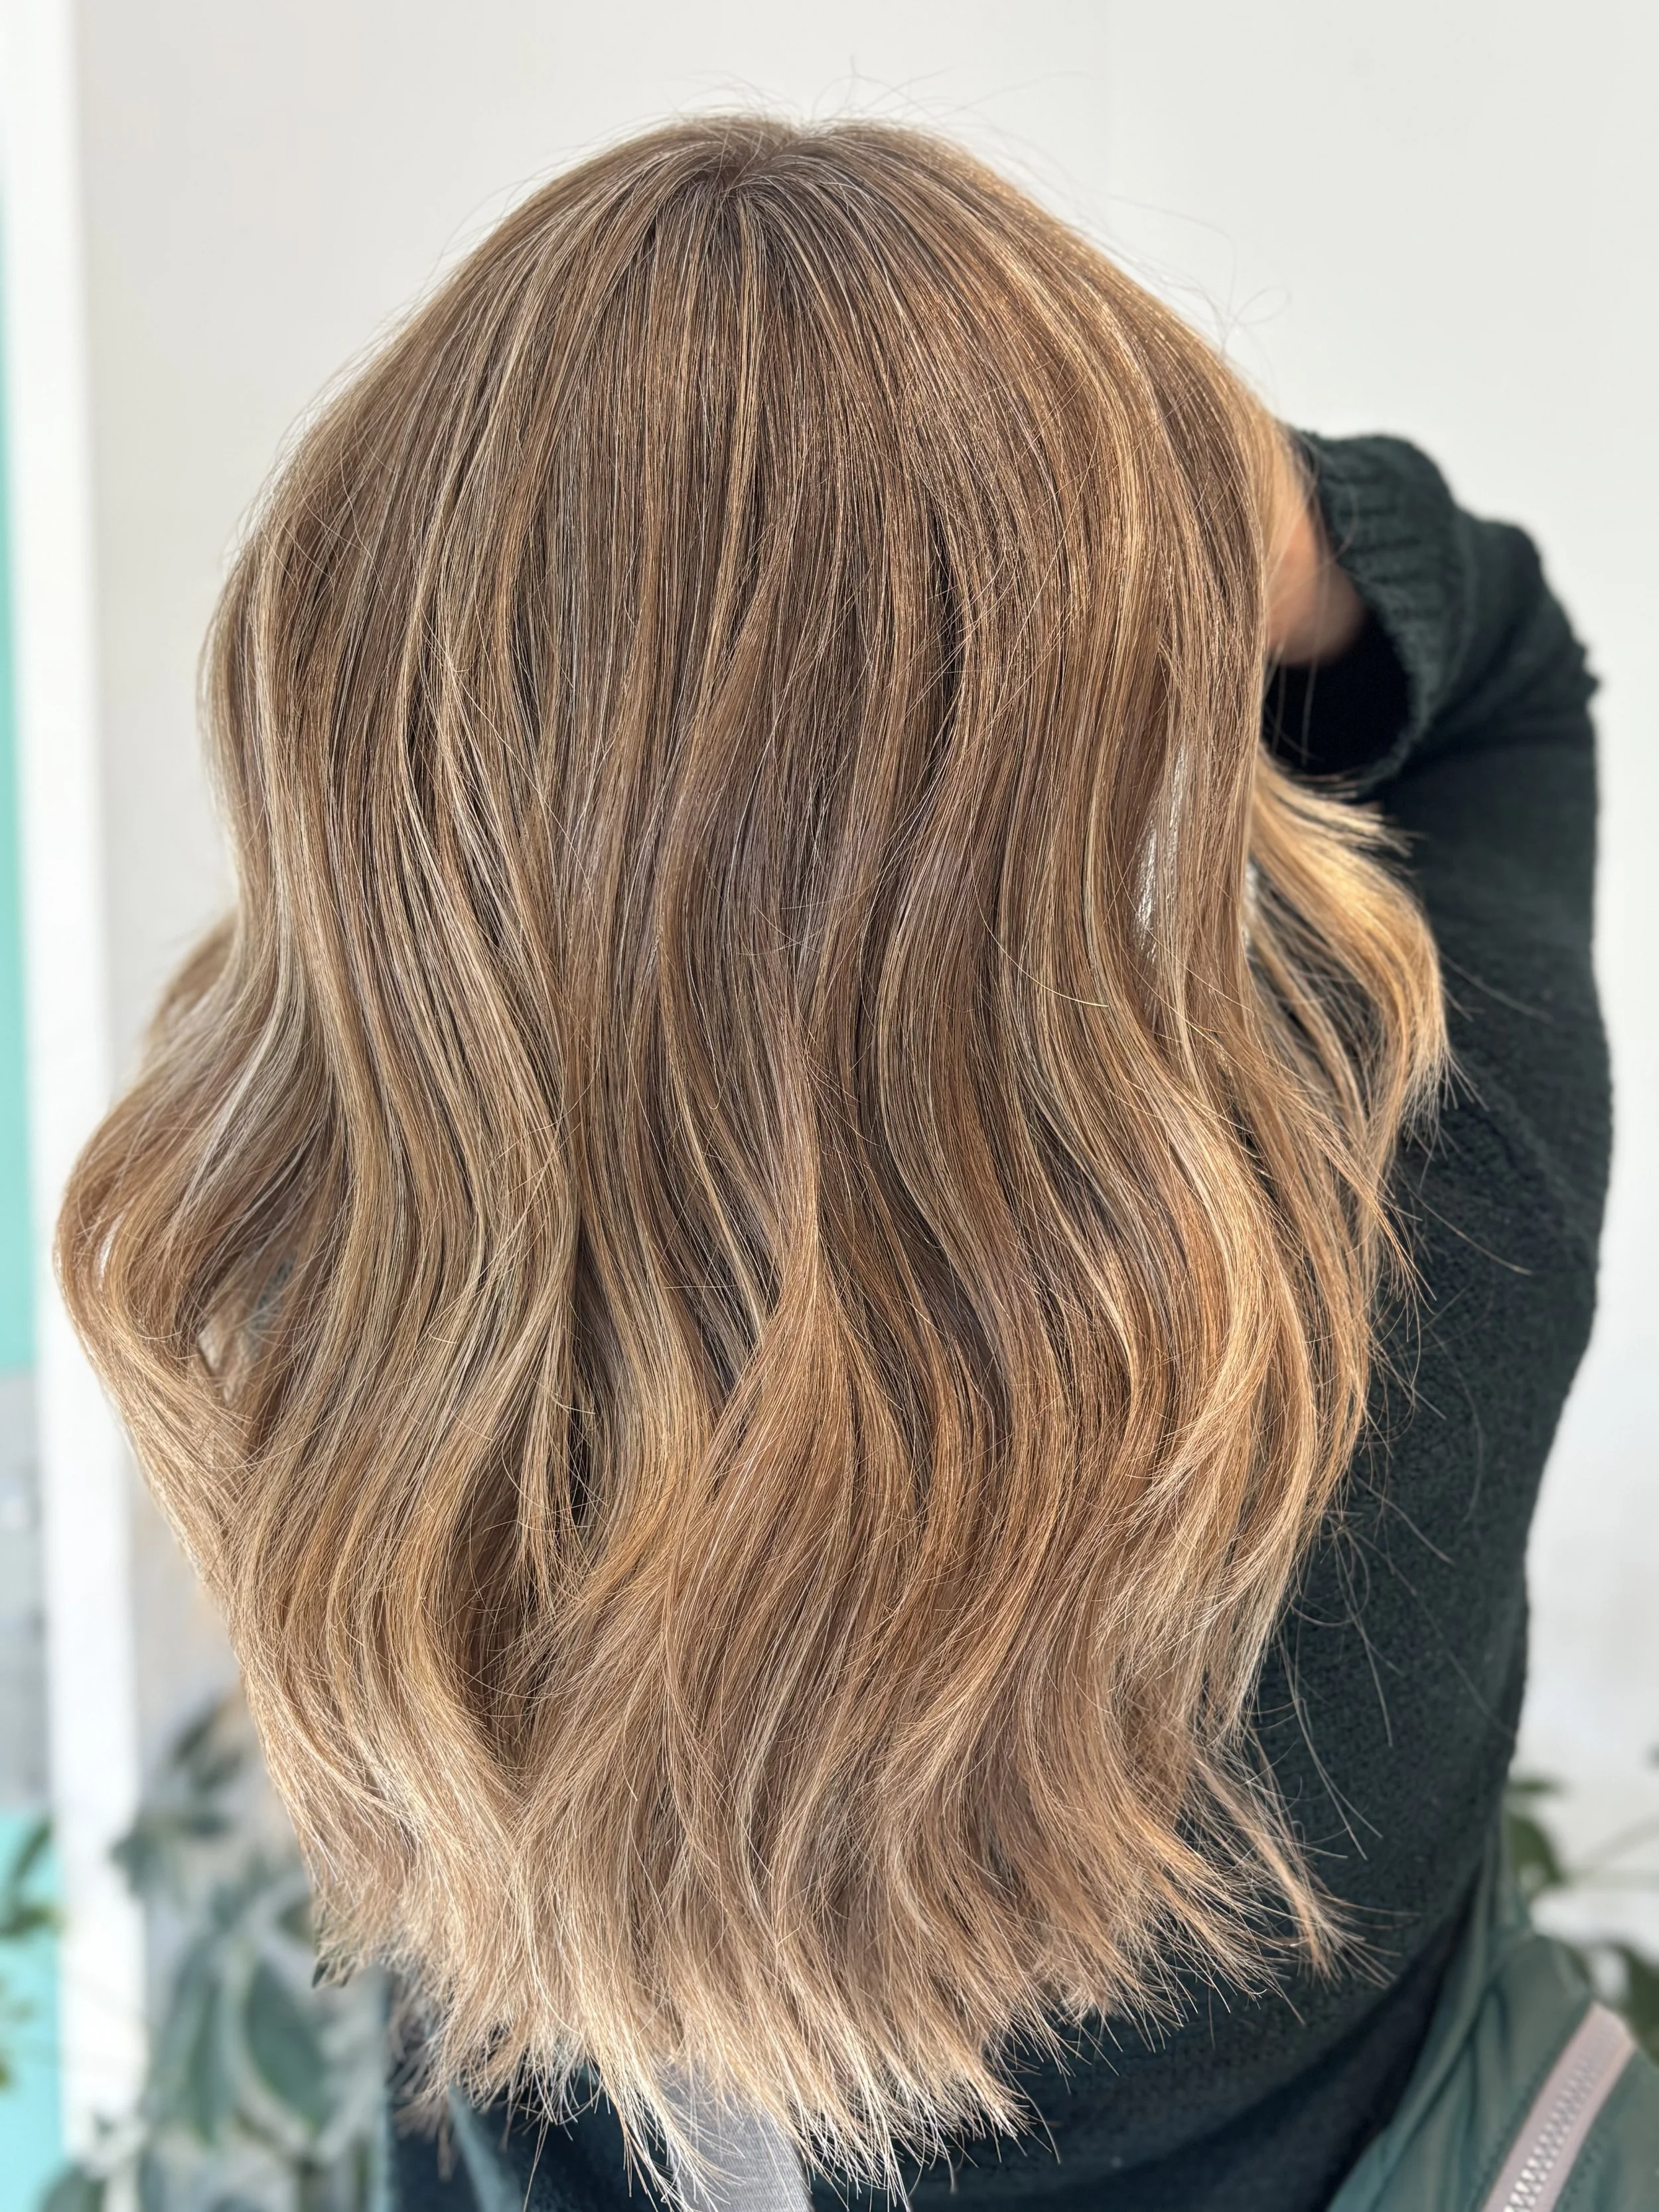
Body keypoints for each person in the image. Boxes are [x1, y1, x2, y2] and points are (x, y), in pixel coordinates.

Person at [56, 114, 1659, 2211]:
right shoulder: (1431, 1217)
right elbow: (1505, 665)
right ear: (1105, 713)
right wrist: (1128, 458)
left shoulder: (304, 1305)